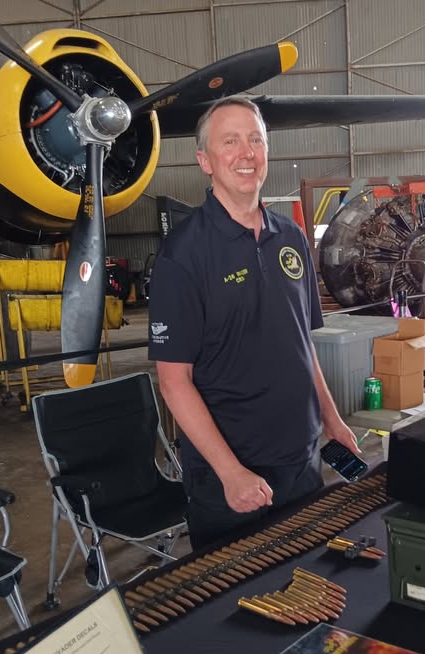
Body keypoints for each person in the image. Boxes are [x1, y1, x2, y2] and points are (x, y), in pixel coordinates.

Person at [148, 96, 359, 550]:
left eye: (255, 140)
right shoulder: (183, 255)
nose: (246, 153)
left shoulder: (292, 237)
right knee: (238, 606)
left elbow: (301, 342)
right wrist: (230, 472)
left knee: (306, 588)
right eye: (230, 141)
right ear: (204, 160)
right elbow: (173, 382)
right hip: (234, 479)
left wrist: (331, 419)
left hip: (302, 463)